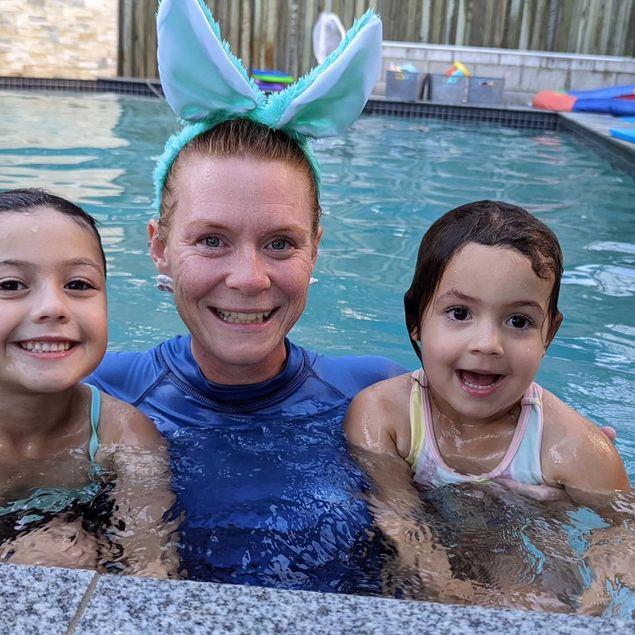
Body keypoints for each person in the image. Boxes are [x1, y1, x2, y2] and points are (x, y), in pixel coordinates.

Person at [88, 1, 404, 591]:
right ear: (159, 248)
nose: (250, 278)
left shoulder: (382, 399)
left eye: (280, 243)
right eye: (211, 240)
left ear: (316, 248)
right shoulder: (96, 397)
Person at [344, 200, 633, 611]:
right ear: (415, 320)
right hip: (427, 553)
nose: (487, 344)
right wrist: (446, 588)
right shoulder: (383, 417)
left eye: (519, 321)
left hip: (522, 555)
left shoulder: (571, 447)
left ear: (549, 333)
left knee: (538, 608)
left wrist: (600, 588)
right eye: (459, 313)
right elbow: (401, 520)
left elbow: (625, 531)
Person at [0, 188, 176, 577]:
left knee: (64, 552)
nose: (53, 307)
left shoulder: (121, 434)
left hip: (62, 543)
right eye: (10, 285)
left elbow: (152, 572)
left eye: (78, 284)